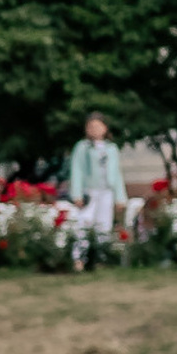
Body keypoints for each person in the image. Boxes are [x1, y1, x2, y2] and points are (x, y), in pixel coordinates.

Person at [65, 110, 126, 267]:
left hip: (107, 191)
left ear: (105, 128)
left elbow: (117, 173)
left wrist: (120, 197)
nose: (94, 130)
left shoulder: (111, 148)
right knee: (84, 222)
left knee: (104, 224)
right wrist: (77, 193)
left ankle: (101, 258)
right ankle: (79, 258)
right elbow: (77, 170)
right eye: (91, 127)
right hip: (89, 191)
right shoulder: (82, 147)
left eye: (98, 126)